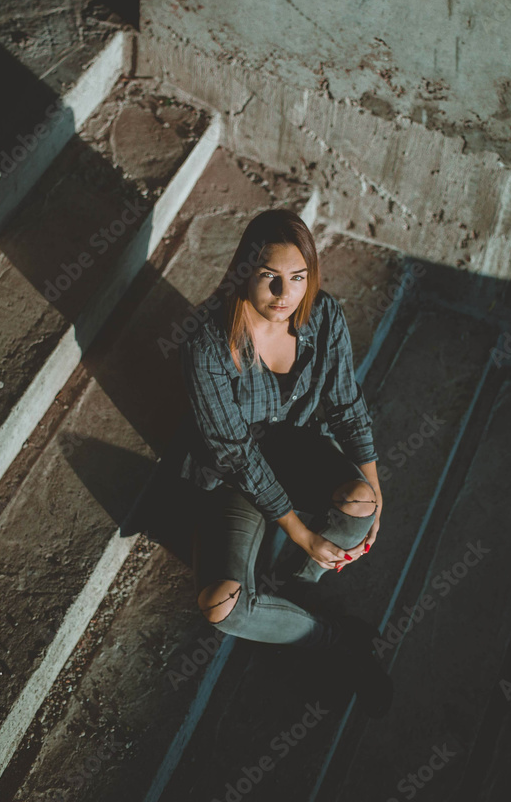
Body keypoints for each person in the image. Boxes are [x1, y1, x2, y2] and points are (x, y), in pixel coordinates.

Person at [179, 208, 393, 717]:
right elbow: (234, 453)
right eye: (269, 277)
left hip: (297, 447)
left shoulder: (324, 315)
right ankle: (325, 638)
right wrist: (300, 532)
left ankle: (299, 589)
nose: (285, 294)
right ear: (243, 272)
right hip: (234, 478)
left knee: (360, 504)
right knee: (220, 606)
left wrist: (377, 497)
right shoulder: (207, 343)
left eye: (298, 278)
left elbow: (345, 405)